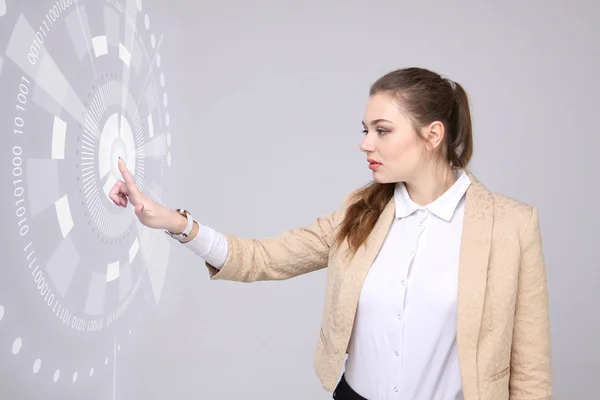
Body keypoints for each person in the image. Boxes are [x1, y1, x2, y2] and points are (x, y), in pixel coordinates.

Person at [110, 67, 552, 400]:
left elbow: (530, 369)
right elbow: (263, 257)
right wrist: (176, 223)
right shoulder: (357, 213)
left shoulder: (511, 225)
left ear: (432, 135)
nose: (366, 143)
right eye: (366, 131)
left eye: (382, 131)